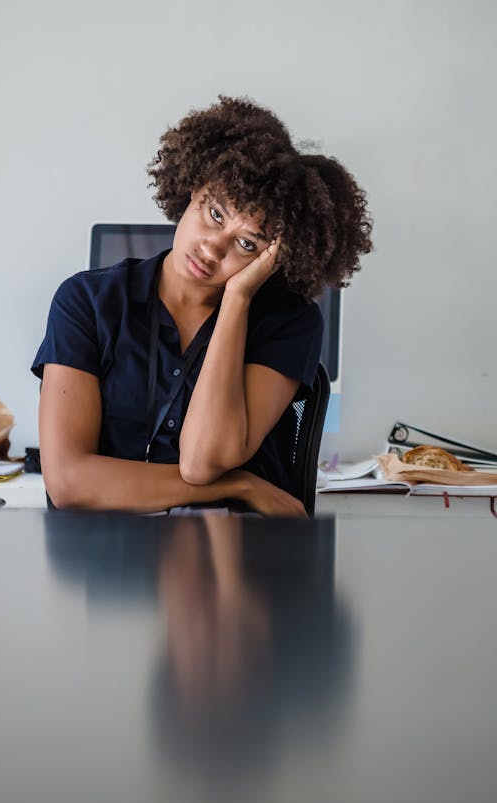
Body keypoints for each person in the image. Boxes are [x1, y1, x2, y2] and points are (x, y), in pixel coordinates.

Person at [32, 95, 372, 515]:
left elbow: (201, 461)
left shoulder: (288, 322)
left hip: (233, 558)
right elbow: (68, 483)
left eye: (247, 244)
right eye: (214, 213)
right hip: (110, 560)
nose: (213, 247)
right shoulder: (86, 302)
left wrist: (237, 299)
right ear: (193, 187)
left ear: (276, 260)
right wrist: (243, 485)